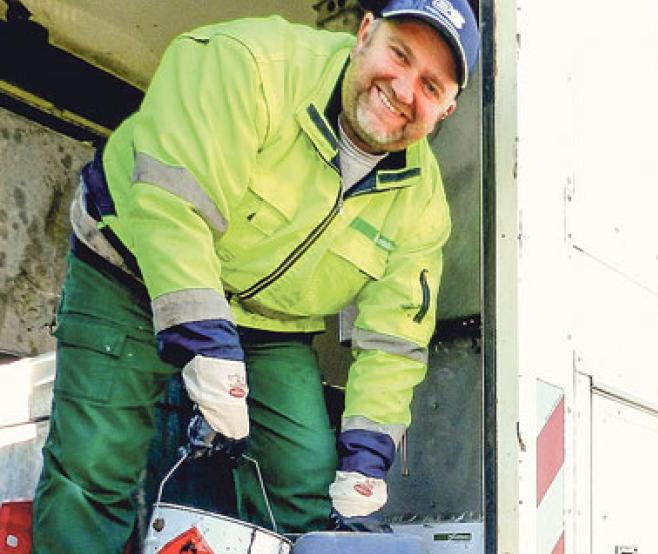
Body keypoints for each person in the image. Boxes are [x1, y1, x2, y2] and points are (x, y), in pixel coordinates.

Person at [31, 0, 478, 550]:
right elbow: (173, 204)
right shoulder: (249, 64)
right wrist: (205, 341)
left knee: (308, 485)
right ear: (364, 35)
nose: (404, 89)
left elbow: (394, 340)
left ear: (447, 110)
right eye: (399, 54)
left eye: (431, 86)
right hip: (131, 267)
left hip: (268, 324)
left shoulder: (424, 206)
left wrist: (366, 459)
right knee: (93, 469)